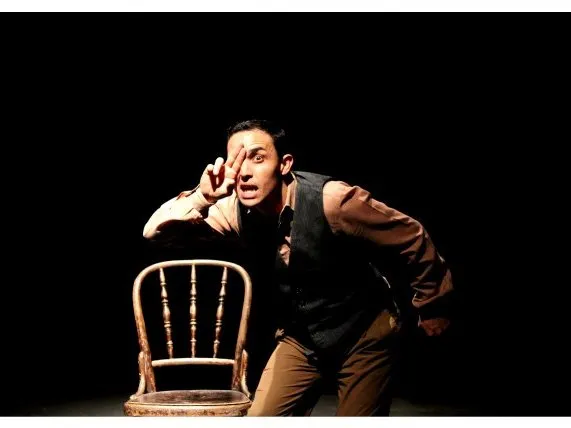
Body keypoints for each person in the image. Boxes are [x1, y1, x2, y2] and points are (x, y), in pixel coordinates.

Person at [142, 119, 454, 416]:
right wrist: (202, 197)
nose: (244, 172)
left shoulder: (332, 200)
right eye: (236, 161)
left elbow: (410, 236)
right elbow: (154, 232)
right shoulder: (234, 211)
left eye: (257, 158)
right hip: (303, 335)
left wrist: (432, 304)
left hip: (363, 331)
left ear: (284, 164)